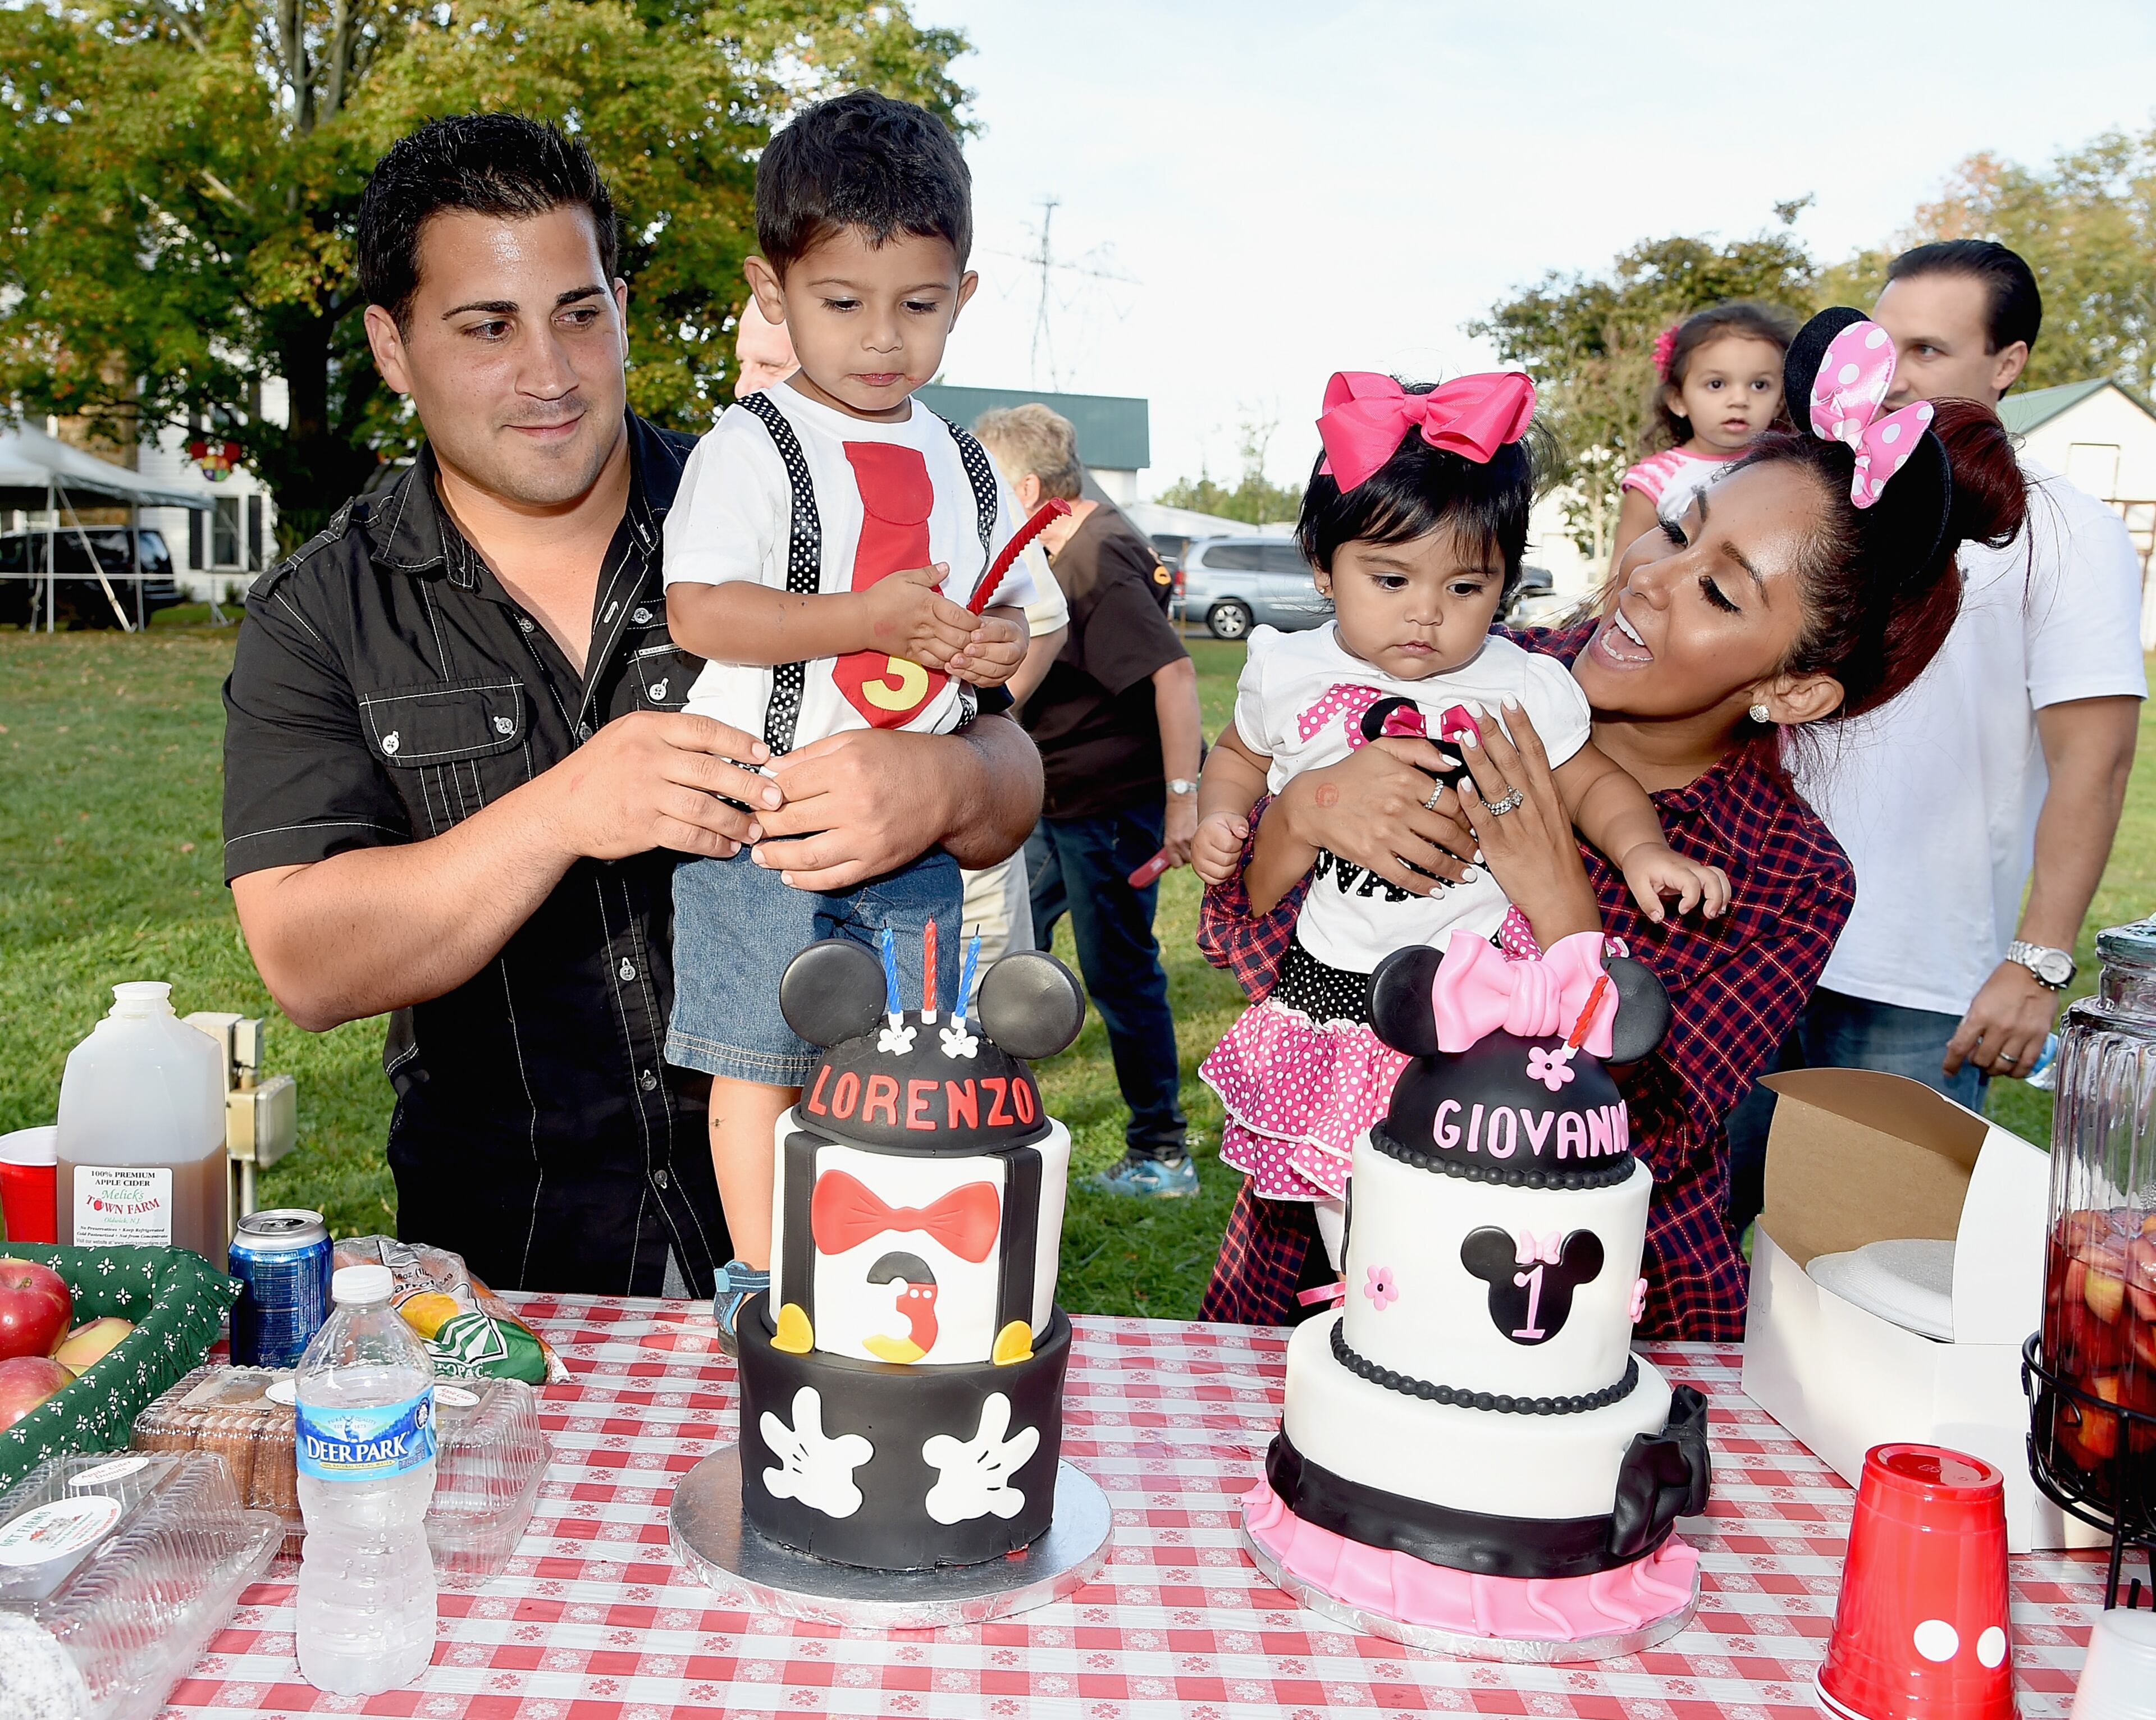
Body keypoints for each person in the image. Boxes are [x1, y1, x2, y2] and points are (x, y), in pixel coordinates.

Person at [220, 113, 1043, 1299]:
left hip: (839, 1225)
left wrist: (949, 781)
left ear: (621, 308)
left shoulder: (770, 493)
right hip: (515, 1259)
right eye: (487, 327)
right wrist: (561, 812)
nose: (549, 373)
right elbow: (306, 961)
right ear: (392, 346)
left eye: (577, 314)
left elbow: (1011, 774)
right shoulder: (320, 610)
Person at [1198, 308, 2030, 1340]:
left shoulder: (1783, 871)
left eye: (1717, 589)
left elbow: (1649, 1130)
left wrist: (1562, 908)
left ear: (1794, 688)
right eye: (1678, 528)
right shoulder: (1467, 672)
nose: (1647, 576)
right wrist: (1304, 812)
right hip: (1315, 1235)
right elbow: (1240, 942)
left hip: (1569, 1304)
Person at [659, 89, 1045, 1347]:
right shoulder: (751, 445)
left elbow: (1018, 619)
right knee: (755, 1055)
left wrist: (996, 646)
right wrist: (863, 617)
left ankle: (881, 1254)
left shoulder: (968, 464)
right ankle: (761, 1279)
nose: (882, 339)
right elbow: (702, 609)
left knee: (905, 1056)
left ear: (963, 295)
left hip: (909, 835)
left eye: (918, 306)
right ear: (772, 291)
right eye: (842, 302)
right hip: (759, 820)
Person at [1191, 370, 1727, 1260]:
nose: (1426, 614)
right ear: (1323, 565)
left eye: (1467, 588)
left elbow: (1593, 783)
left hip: (1477, 994)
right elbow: (1241, 755)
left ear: (1506, 584)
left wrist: (1642, 852)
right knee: (1349, 1213)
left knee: (1461, 1197)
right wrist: (1222, 816)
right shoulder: (1288, 669)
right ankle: (1368, 1303)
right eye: (1390, 578)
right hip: (1337, 989)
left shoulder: (1520, 684)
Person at [1725, 243, 2146, 1236]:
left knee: (1871, 1271)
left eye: (1928, 349)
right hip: (1744, 938)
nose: (1894, 375)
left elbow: (2096, 759)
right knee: (1676, 1253)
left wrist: (2037, 964)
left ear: (2008, 363)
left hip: (1912, 981)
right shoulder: (1819, 496)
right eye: (1882, 346)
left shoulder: (2062, 527)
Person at [729, 287, 1072, 963]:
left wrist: (958, 737)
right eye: (742, 363)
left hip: (939, 871)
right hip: (772, 872)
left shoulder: (948, 474)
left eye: (767, 366)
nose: (745, 385)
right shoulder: (738, 470)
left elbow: (1037, 616)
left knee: (950, 1020)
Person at [975, 402, 1208, 1197]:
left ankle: (1161, 1152)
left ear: (1029, 489)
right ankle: (982, 1109)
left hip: (1110, 809)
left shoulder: (1098, 555)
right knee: (1005, 949)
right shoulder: (1062, 550)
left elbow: (1175, 675)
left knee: (1120, 976)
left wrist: (1183, 803)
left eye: (990, 486)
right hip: (1055, 800)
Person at [1608, 303, 1796, 579]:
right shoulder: (1654, 481)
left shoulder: (1787, 472)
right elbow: (1621, 574)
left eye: (1759, 385)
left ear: (1780, 400)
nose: (1740, 400)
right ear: (1678, 400)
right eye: (1716, 384)